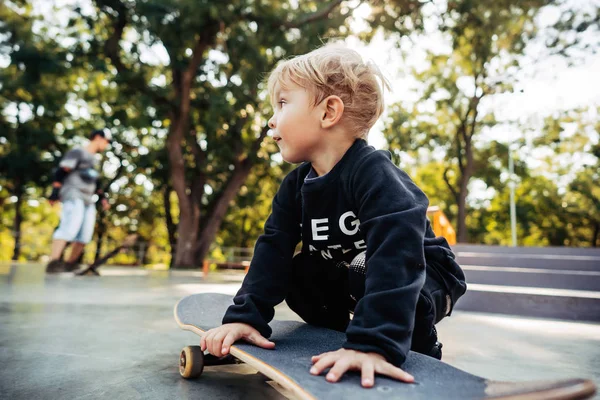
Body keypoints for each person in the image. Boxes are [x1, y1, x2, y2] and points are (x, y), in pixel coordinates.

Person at [200, 44, 467, 388]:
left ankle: (409, 343)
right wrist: (245, 318)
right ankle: (342, 335)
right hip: (358, 272)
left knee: (366, 264)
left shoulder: (373, 174)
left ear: (328, 113)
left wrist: (373, 345)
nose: (271, 118)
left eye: (282, 104)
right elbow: (273, 248)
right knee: (299, 271)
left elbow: (397, 251)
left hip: (426, 275)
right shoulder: (295, 186)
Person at [45, 129, 112, 273]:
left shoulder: (95, 160)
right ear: (98, 137)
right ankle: (53, 262)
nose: (106, 145)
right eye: (106, 142)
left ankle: (70, 264)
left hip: (88, 198)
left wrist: (103, 198)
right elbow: (61, 171)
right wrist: (54, 193)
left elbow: (96, 183)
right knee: (70, 227)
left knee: (85, 234)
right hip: (73, 193)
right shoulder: (78, 152)